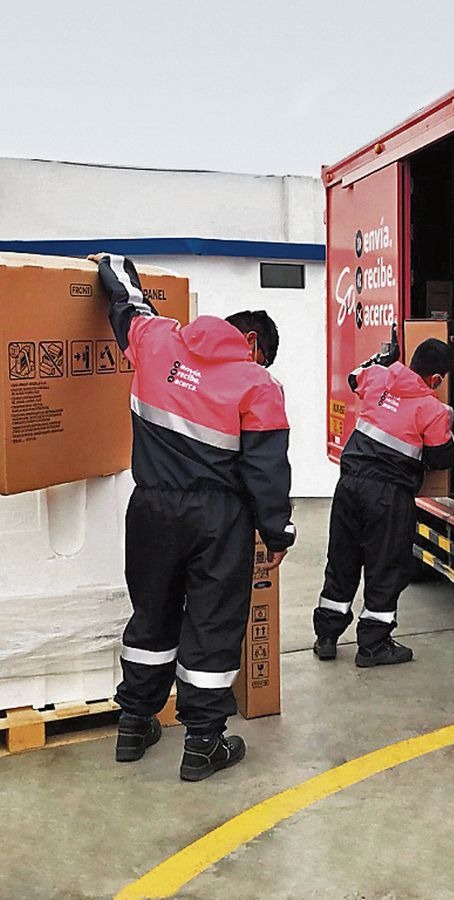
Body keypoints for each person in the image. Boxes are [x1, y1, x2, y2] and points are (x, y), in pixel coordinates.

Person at [90, 253, 295, 782]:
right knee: (212, 622)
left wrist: (112, 263)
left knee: (151, 612)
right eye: (263, 357)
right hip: (218, 519)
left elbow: (126, 303)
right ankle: (203, 744)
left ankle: (133, 725)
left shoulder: (157, 342)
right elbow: (267, 471)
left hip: (151, 507)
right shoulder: (257, 385)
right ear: (252, 341)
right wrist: (277, 533)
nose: (261, 367)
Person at [313, 333, 454, 667]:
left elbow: (354, 376)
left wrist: (383, 359)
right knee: (385, 567)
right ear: (436, 379)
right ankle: (373, 646)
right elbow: (440, 459)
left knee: (342, 560)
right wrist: (448, 424)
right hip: (389, 495)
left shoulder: (379, 377)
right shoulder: (433, 410)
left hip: (349, 485)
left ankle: (327, 637)